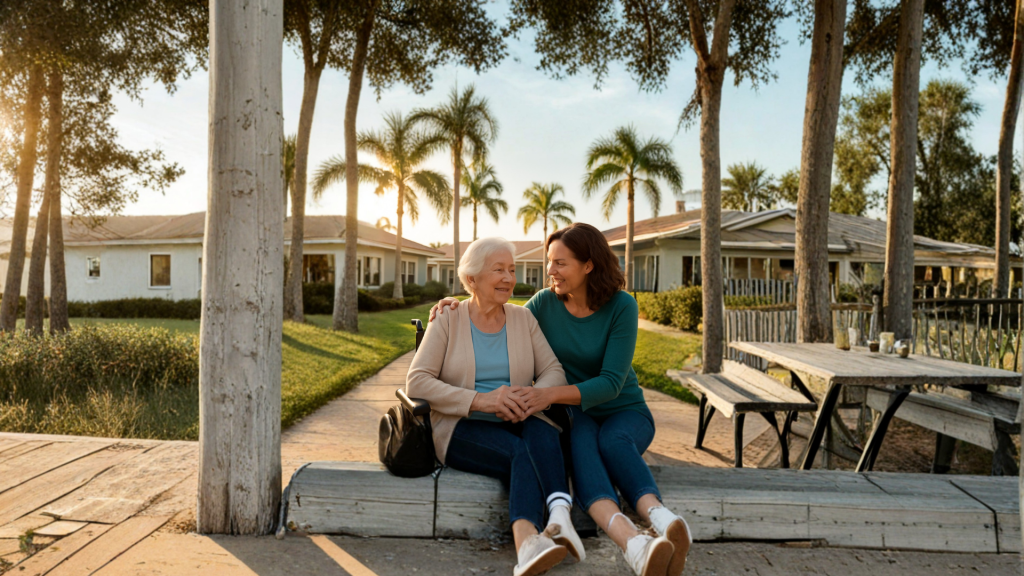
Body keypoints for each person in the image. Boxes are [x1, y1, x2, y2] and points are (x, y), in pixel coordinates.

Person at [431, 223, 692, 576]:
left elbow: (612, 383)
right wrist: (457, 304)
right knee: (585, 453)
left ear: (589, 265)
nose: (550, 271)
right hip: (576, 414)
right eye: (549, 262)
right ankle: (634, 546)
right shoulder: (544, 303)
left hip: (623, 410)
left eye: (560, 263)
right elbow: (499, 310)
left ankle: (661, 519)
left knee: (612, 441)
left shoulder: (622, 306)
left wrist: (545, 395)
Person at [407, 237, 585, 576]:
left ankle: (560, 519)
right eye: (498, 270)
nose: (508, 278)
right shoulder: (448, 317)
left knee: (542, 430)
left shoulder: (523, 319)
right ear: (472, 279)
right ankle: (528, 543)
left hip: (516, 417)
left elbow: (553, 370)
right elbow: (417, 381)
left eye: (512, 270)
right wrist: (482, 400)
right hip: (460, 427)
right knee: (522, 452)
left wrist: (531, 398)